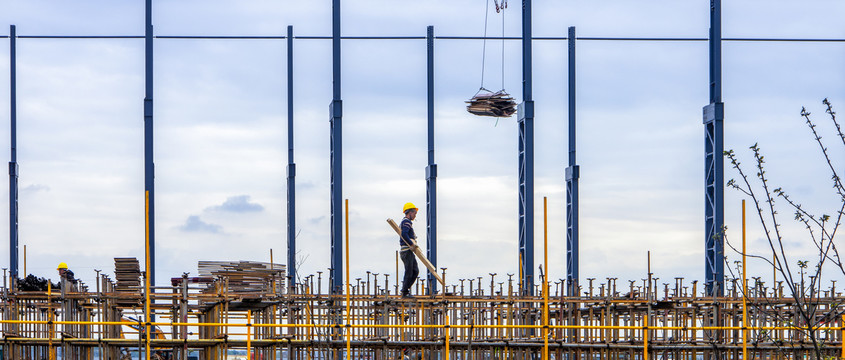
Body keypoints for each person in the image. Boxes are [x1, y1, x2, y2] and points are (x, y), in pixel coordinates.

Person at [399, 202, 420, 298]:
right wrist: (411, 244)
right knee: (409, 271)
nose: (415, 215)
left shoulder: (406, 222)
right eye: (414, 213)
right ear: (409, 212)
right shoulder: (406, 222)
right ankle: (404, 292)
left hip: (409, 251)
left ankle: (405, 290)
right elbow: (404, 234)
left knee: (415, 271)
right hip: (406, 250)